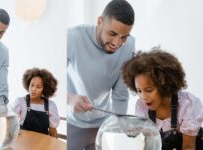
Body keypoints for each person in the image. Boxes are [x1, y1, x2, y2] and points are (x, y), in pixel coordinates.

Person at [67, 0, 135, 149]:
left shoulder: (129, 46)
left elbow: (121, 95)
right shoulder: (73, 37)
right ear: (100, 21)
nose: (117, 43)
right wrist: (70, 98)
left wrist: (118, 128)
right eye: (112, 33)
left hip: (104, 124)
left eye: (124, 37)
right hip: (73, 123)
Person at [121, 48, 203, 150]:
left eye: (149, 90)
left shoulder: (188, 104)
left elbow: (188, 146)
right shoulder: (141, 107)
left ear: (164, 85)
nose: (144, 97)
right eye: (139, 91)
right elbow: (149, 144)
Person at [13, 68, 60, 138]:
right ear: (28, 84)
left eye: (38, 87)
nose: (33, 89)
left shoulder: (50, 106)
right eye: (32, 85)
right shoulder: (20, 102)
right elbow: (11, 125)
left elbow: (53, 132)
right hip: (23, 143)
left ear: (45, 89)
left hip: (43, 144)